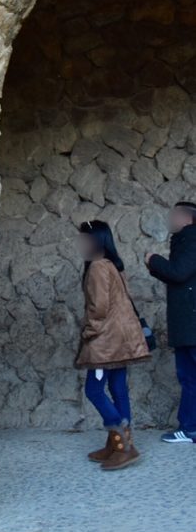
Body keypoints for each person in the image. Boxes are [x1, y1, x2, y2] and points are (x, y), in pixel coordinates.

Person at [75, 220, 151, 470]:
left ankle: (122, 444)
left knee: (94, 390)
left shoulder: (97, 267)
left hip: (105, 342)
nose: (80, 244)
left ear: (96, 240)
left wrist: (89, 332)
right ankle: (116, 443)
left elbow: (99, 308)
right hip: (122, 340)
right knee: (118, 387)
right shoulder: (113, 265)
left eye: (84, 239)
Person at [145, 201, 196, 444]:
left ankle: (190, 428)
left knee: (191, 377)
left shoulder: (193, 239)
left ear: (187, 218)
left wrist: (154, 260)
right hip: (187, 326)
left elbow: (179, 272)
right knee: (188, 378)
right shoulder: (185, 240)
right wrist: (154, 266)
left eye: (175, 214)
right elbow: (177, 275)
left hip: (192, 325)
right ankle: (189, 429)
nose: (171, 218)